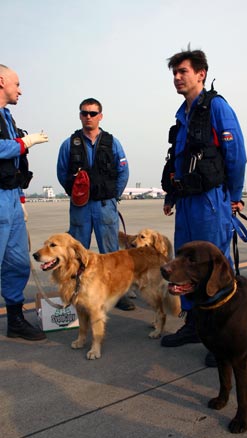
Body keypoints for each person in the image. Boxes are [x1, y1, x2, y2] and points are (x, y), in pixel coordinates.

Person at [160, 48, 247, 367]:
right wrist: (172, 195)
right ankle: (194, 325)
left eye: (183, 71)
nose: (177, 77)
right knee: (186, 266)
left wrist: (234, 195)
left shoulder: (216, 107)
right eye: (174, 73)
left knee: (216, 268)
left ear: (201, 74)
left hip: (212, 202)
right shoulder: (183, 115)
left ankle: (225, 334)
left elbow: (236, 154)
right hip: (187, 203)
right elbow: (180, 162)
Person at [57, 98, 134, 311]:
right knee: (76, 252)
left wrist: (112, 196)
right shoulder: (69, 144)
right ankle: (76, 291)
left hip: (104, 206)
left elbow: (123, 172)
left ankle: (118, 295)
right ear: (80, 115)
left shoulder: (112, 142)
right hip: (80, 207)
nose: (88, 117)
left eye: (92, 113)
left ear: (100, 116)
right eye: (84, 113)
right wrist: (76, 195)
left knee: (111, 253)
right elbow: (62, 173)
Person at [0, 64, 48, 340]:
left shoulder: (8, 118)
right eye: (16, 84)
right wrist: (24, 142)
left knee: (17, 263)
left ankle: (15, 321)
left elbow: (14, 165)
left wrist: (20, 199)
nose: (20, 89)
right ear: (1, 81)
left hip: (10, 199)